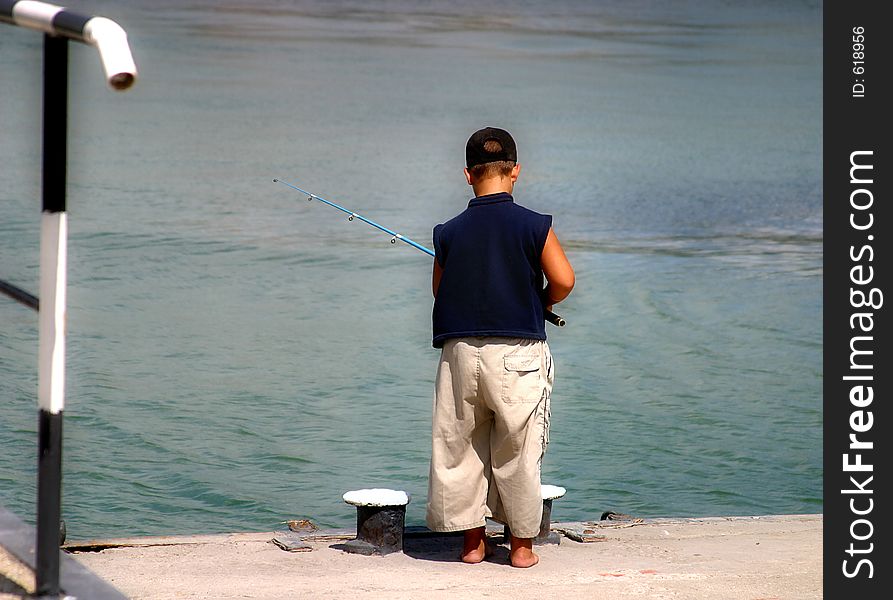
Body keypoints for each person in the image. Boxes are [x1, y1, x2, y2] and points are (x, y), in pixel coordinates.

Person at [426, 127, 575, 568]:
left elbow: (441, 293)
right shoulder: (534, 224)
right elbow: (564, 280)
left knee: (460, 447)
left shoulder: (448, 232)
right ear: (516, 171)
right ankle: (522, 549)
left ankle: (472, 544)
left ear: (468, 175)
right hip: (518, 354)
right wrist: (543, 299)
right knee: (518, 449)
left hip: (459, 354)